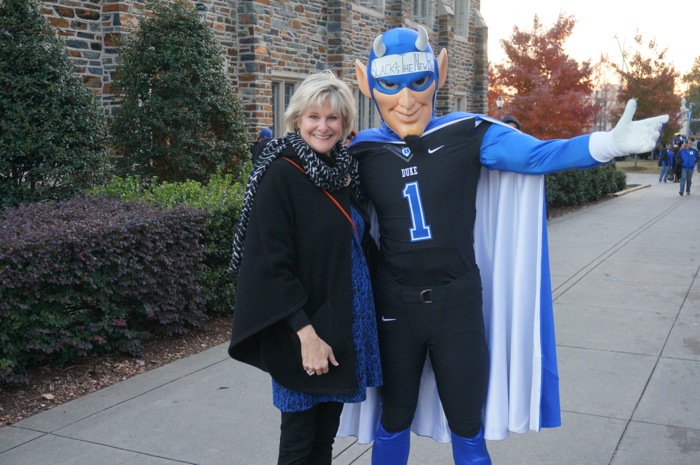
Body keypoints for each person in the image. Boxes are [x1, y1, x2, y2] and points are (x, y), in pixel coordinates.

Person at [337, 26, 667, 465]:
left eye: (418, 81)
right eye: (390, 85)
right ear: (367, 83)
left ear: (440, 73)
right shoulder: (361, 152)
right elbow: (315, 206)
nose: (407, 98)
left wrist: (608, 144)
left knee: (467, 422)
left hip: (457, 303)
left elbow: (536, 157)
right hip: (394, 306)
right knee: (393, 417)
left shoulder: (466, 133)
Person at [228, 70, 382, 465]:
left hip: (345, 324)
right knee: (298, 445)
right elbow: (271, 265)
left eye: (333, 118)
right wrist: (306, 336)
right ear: (297, 119)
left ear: (345, 124)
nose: (323, 126)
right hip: (302, 329)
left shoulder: (344, 173)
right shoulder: (281, 172)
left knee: (323, 441)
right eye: (313, 116)